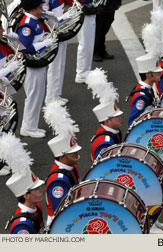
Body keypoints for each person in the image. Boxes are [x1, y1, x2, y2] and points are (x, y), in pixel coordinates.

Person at [17, 0, 57, 138]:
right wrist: (45, 43)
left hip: (38, 62)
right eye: (40, 8)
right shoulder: (27, 25)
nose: (42, 9)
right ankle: (28, 127)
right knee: (34, 95)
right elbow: (25, 48)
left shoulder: (35, 20)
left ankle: (31, 125)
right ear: (33, 9)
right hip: (32, 66)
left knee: (38, 94)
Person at [0, 132, 45, 234]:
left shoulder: (37, 207)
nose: (41, 190)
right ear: (26, 195)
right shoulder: (21, 226)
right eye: (37, 189)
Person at [46, 134, 81, 226]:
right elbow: (61, 211)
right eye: (74, 153)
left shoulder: (71, 167)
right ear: (63, 157)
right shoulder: (58, 181)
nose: (78, 154)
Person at [127, 54, 162, 126]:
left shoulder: (148, 89)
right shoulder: (141, 97)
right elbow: (133, 122)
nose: (160, 72)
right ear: (149, 75)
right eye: (157, 72)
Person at [74, 0, 97, 84]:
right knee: (85, 44)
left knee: (88, 43)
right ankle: (82, 74)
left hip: (87, 8)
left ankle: (85, 71)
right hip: (83, 9)